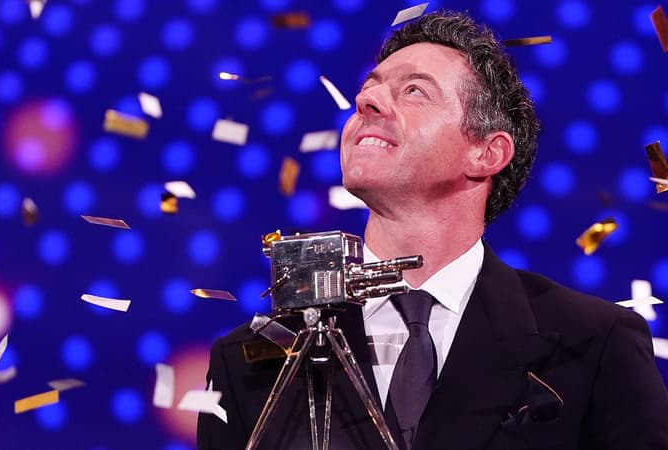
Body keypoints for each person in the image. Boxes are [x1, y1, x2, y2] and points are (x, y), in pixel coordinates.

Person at [197, 10, 668, 450]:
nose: (365, 101)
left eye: (414, 91)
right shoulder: (251, 358)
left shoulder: (592, 341)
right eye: (370, 88)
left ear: (487, 153)